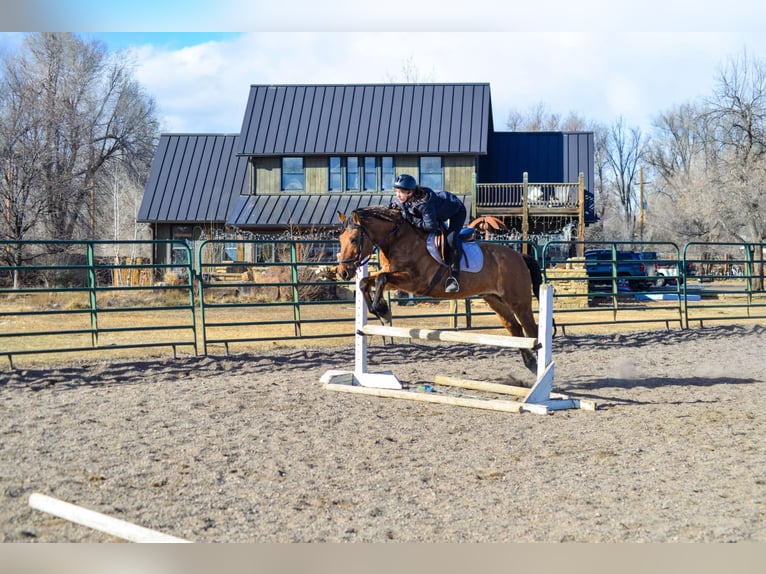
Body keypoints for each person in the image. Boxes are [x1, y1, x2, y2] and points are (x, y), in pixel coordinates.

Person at [391, 173, 467, 293]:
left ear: (410, 192)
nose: (398, 195)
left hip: (456, 211)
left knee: (450, 240)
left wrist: (411, 219)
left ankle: (454, 278)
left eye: (401, 192)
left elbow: (431, 226)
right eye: (396, 191)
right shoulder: (407, 198)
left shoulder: (424, 204)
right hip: (437, 212)